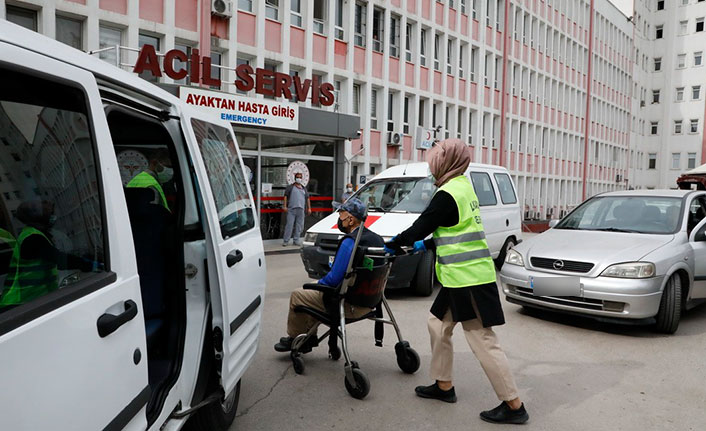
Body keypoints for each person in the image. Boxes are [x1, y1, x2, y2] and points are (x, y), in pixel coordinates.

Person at [384, 139, 529, 425]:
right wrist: (430, 245)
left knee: (483, 341)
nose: (431, 165)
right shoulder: (462, 187)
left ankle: (514, 405)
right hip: (457, 279)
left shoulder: (447, 194)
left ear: (447, 161)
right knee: (437, 326)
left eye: (434, 159)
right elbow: (456, 229)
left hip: (469, 281)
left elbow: (421, 225)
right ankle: (443, 385)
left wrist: (394, 244)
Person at [274, 198, 384, 352]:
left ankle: (296, 339)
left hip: (347, 304)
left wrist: (319, 283)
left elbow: (333, 280)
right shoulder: (377, 240)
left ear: (350, 219)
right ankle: (309, 336)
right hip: (370, 301)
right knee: (314, 292)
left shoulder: (349, 242)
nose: (339, 218)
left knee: (298, 295)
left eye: (341, 215)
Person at [282, 172, 311, 246]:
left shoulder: (304, 188)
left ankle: (296, 240)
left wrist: (309, 208)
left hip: (301, 210)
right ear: (295, 178)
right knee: (289, 225)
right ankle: (286, 240)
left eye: (300, 177)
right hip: (291, 209)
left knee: (299, 226)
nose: (299, 179)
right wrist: (285, 206)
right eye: (298, 177)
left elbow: (307, 198)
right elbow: (285, 196)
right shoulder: (290, 187)